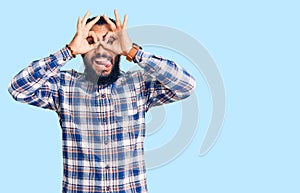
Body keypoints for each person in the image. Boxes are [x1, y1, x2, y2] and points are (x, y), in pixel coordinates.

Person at [8, 9, 196, 193]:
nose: (100, 50)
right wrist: (68, 50)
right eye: (91, 42)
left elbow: (186, 85)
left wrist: (133, 51)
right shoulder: (64, 87)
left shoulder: (139, 85)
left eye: (109, 41)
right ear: (82, 50)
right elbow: (18, 88)